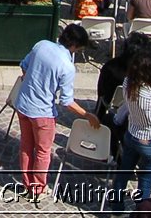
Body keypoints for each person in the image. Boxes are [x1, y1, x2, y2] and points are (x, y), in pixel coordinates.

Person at [13, 24, 98, 204]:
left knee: (26, 146)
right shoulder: (67, 66)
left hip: (23, 104)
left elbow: (24, 66)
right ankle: (38, 189)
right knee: (43, 152)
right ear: (74, 46)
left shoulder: (41, 45)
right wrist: (87, 115)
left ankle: (27, 185)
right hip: (42, 113)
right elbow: (66, 101)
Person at [112, 52, 151, 204]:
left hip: (132, 133)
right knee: (146, 180)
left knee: (123, 174)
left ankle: (116, 208)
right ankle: (142, 211)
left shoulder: (127, 83)